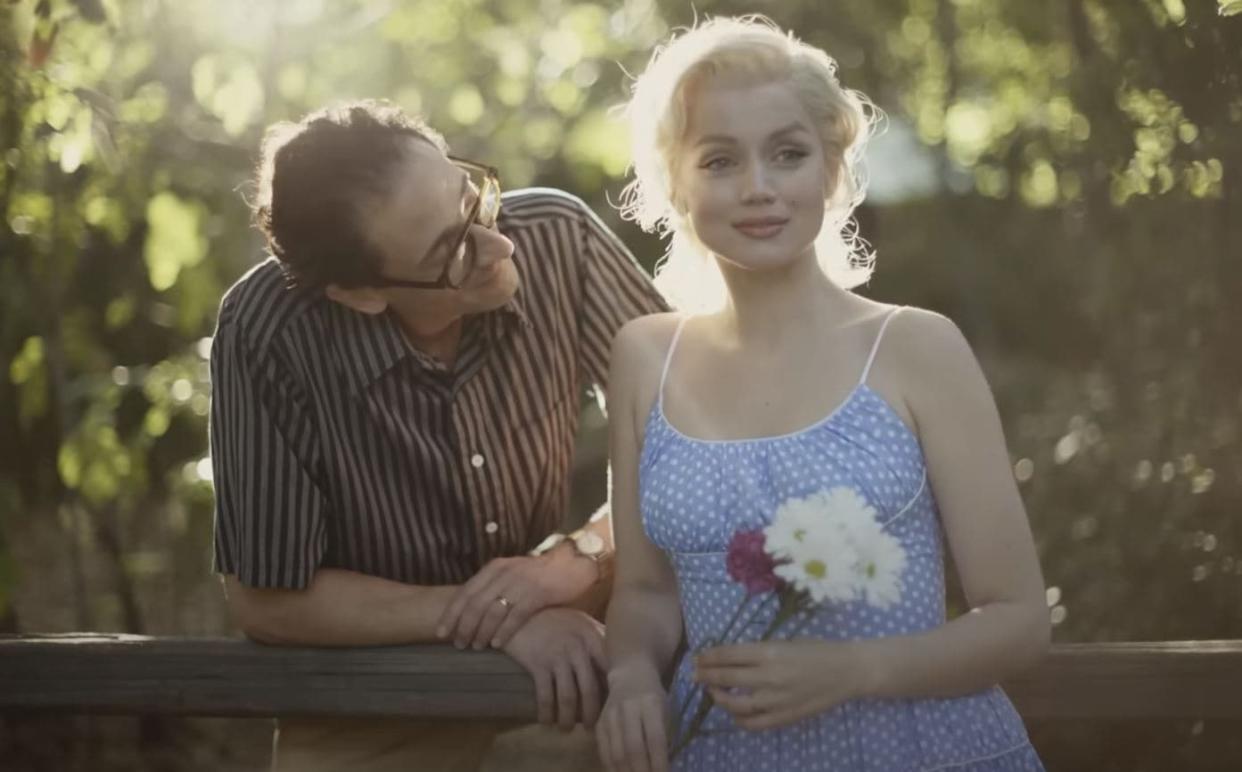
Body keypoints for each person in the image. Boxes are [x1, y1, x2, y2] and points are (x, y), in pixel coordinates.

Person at [597, 17, 1049, 771]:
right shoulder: (644, 355)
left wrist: (854, 671)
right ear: (674, 181)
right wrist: (631, 676)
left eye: (788, 154)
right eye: (719, 160)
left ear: (832, 170)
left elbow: (1019, 620)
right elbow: (645, 592)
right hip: (717, 754)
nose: (759, 188)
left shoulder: (916, 348)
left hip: (924, 752)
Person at [208, 99, 667, 771]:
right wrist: (501, 616)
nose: (499, 244)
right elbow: (270, 600)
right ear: (360, 292)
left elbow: (701, 443)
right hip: (370, 698)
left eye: (473, 198)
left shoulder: (558, 234)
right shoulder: (267, 329)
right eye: (451, 251)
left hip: (581, 650)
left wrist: (573, 562)